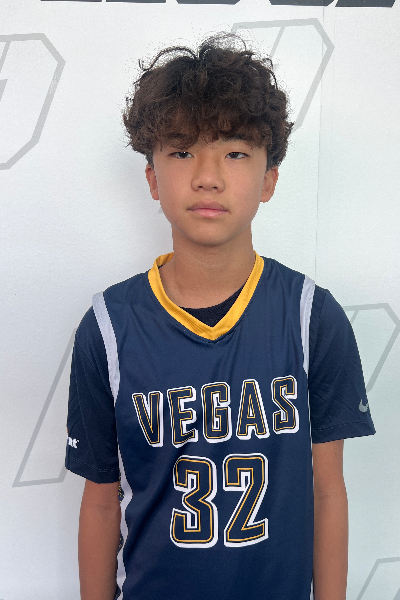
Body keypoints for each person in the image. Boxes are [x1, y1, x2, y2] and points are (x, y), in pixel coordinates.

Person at [65, 33, 375, 600]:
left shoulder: (312, 317)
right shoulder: (108, 327)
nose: (207, 176)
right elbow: (101, 502)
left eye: (235, 152)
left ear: (269, 179)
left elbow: (327, 491)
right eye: (182, 151)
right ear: (152, 178)